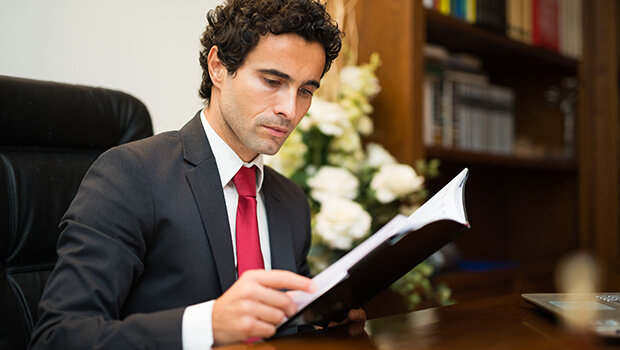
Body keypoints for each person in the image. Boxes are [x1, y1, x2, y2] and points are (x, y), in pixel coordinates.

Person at [28, 0, 367, 349]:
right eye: (271, 81)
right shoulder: (131, 174)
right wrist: (207, 324)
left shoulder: (291, 201)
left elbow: (283, 330)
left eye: (305, 91)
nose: (290, 109)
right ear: (218, 66)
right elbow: (59, 337)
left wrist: (324, 325)